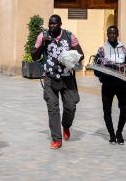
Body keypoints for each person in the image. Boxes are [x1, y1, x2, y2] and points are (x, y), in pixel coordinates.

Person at [31, 14, 84, 149]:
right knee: (53, 108)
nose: (52, 26)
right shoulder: (43, 36)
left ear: (60, 24)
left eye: (55, 24)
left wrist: (69, 57)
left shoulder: (69, 35)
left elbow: (81, 54)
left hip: (67, 78)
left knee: (71, 106)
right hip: (50, 77)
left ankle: (66, 126)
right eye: (50, 24)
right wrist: (43, 44)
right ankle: (56, 139)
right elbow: (34, 56)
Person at [94, 25, 126, 145]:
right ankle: (111, 134)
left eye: (114, 33)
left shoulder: (125, 49)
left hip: (121, 84)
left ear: (117, 34)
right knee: (107, 110)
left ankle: (119, 133)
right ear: (107, 34)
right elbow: (96, 70)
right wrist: (103, 73)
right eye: (110, 33)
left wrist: (123, 69)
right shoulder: (101, 50)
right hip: (107, 84)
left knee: (124, 108)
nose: (112, 35)